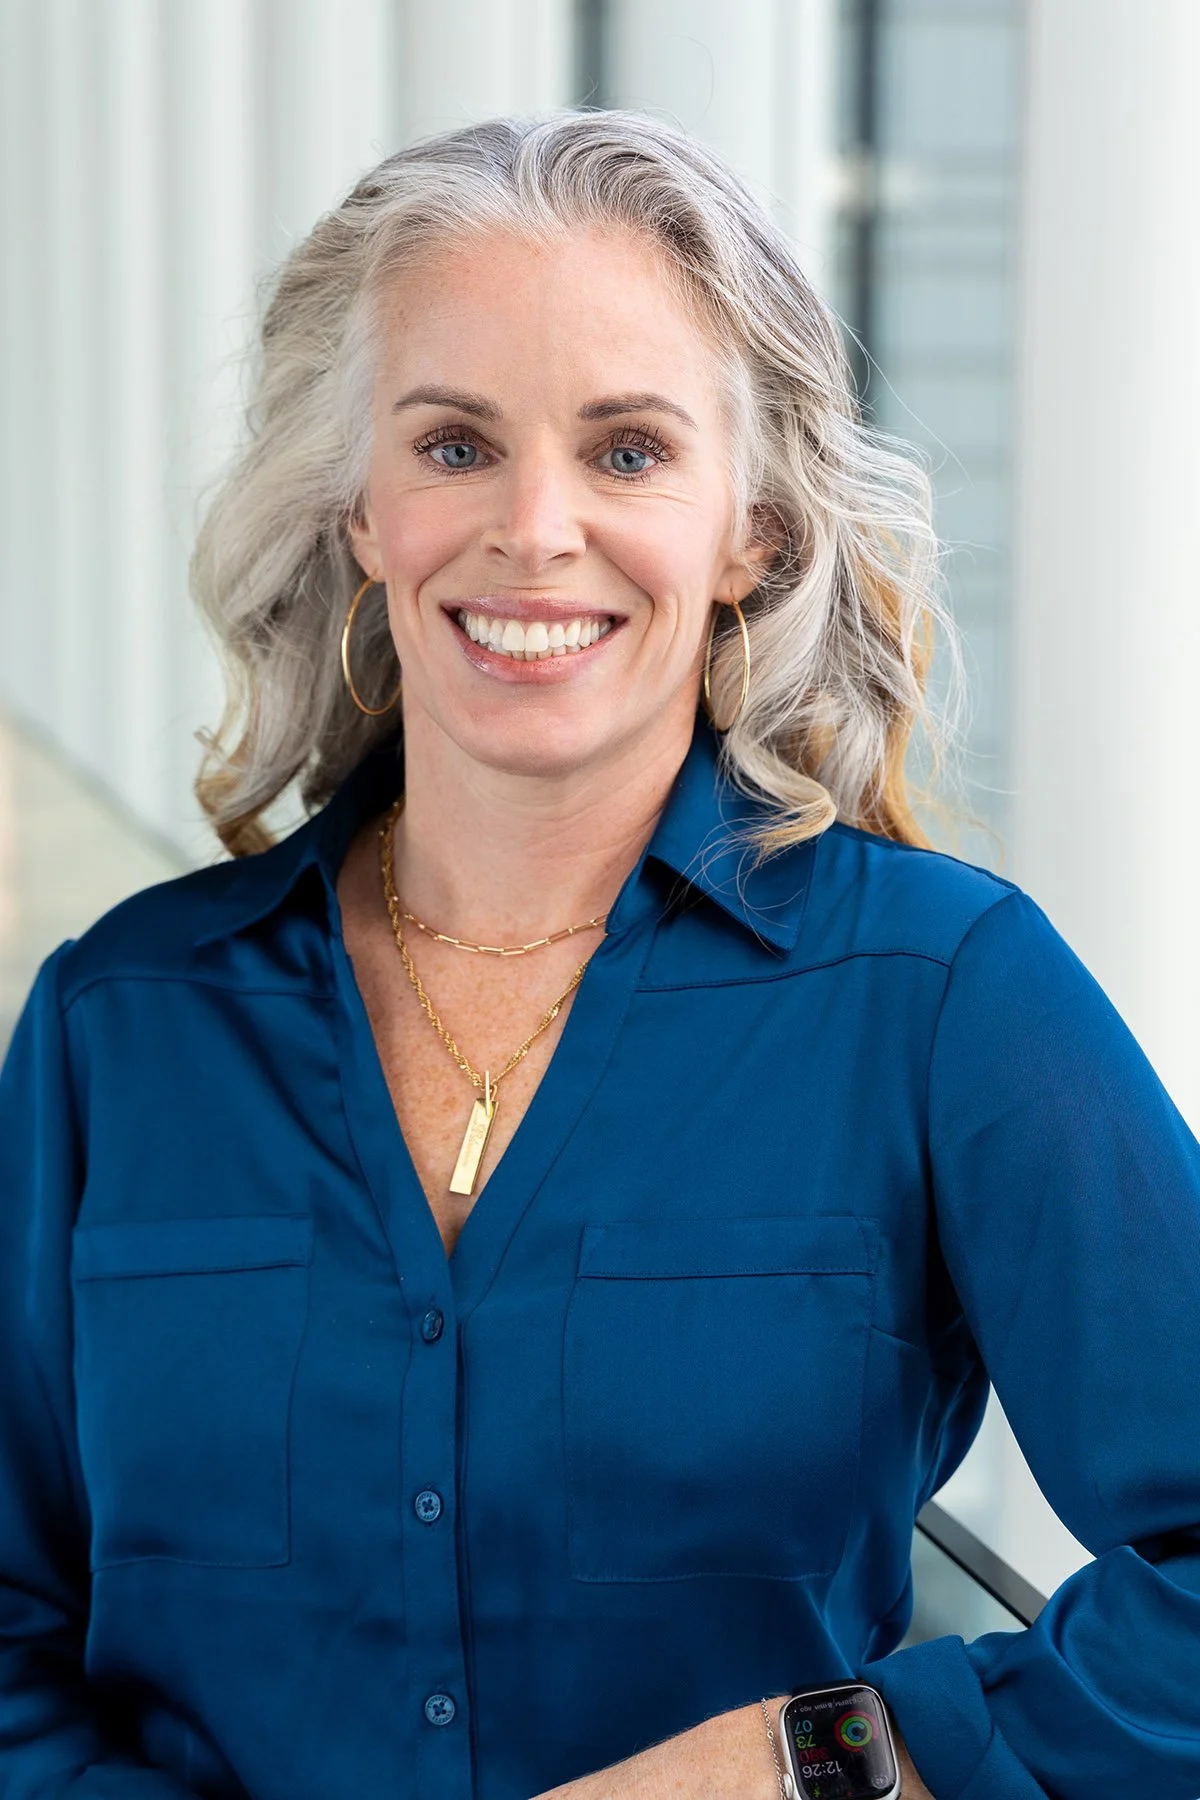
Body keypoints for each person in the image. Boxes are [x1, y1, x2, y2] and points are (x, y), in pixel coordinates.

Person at [1, 109, 1198, 1800]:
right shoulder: (114, 1030)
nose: (535, 528)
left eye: (629, 452)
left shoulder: (943, 995)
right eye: (453, 446)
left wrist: (816, 1768)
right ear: (359, 510)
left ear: (754, 533)